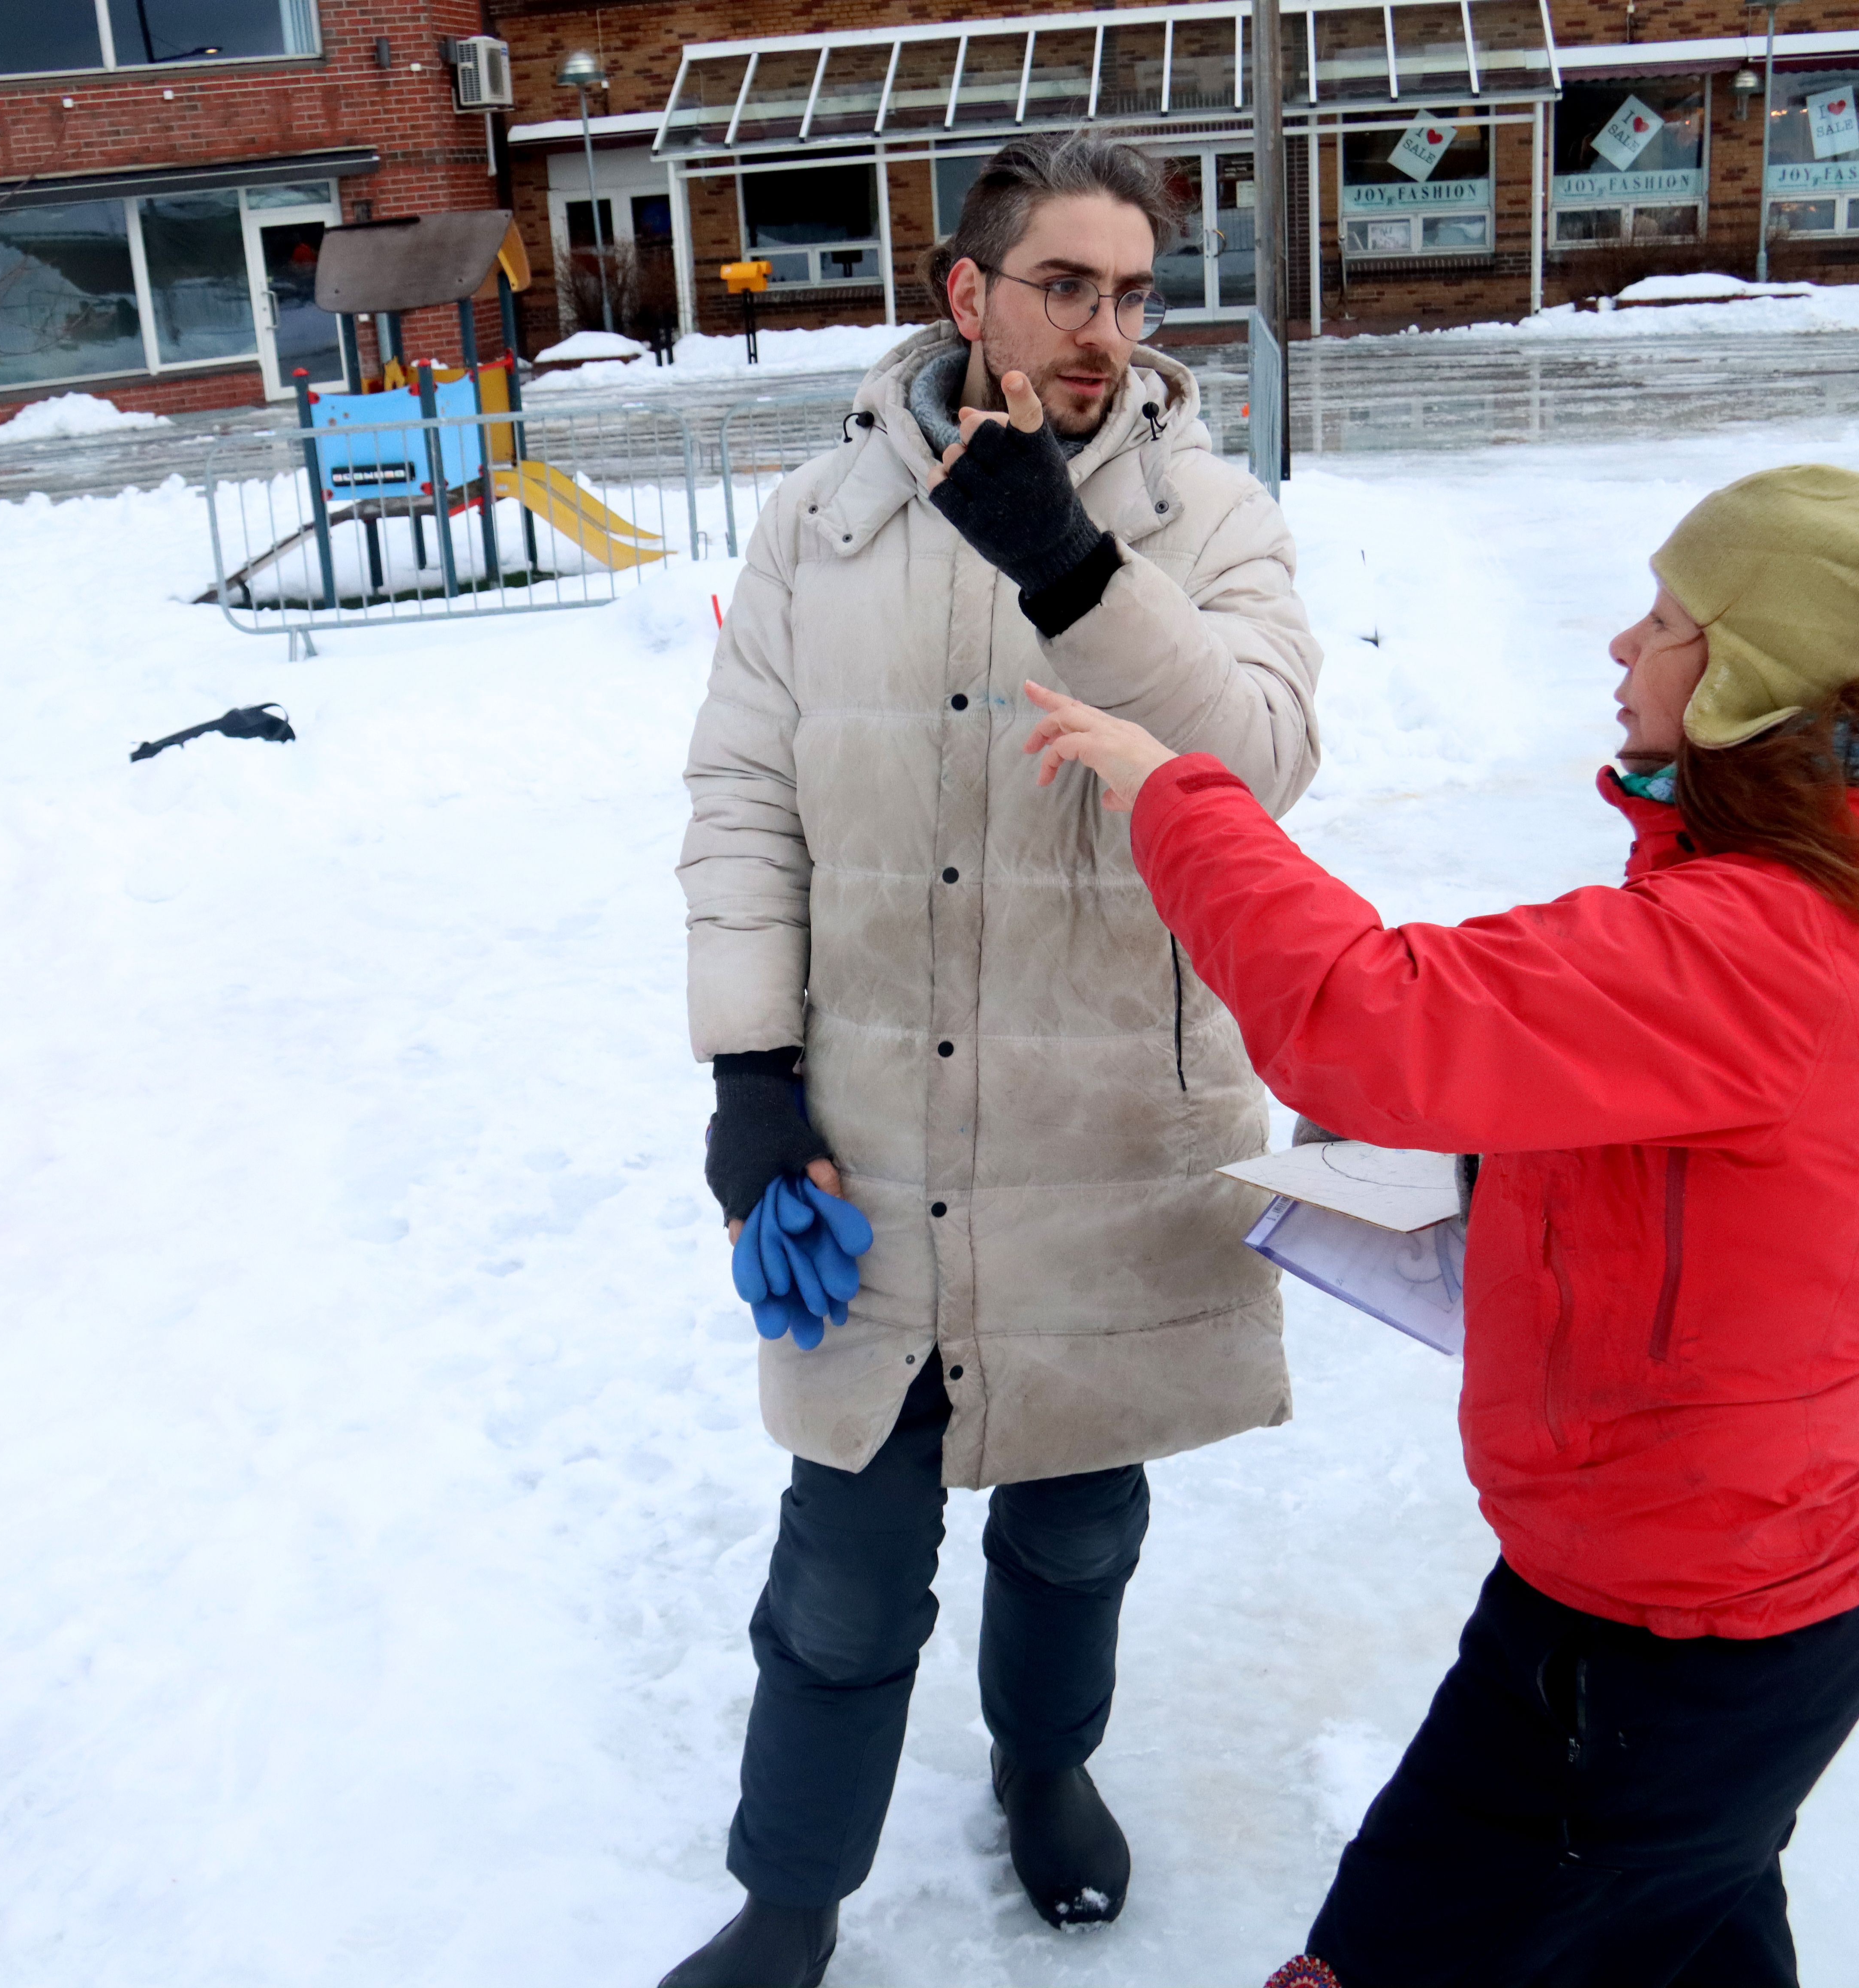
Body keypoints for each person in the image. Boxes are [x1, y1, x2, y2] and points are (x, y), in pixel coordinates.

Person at [1022, 464, 1859, 1988]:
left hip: (1669, 1638)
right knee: (1685, 1930)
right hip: (1750, 1581)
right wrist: (1506, 1190)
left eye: (1668, 621)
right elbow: (1745, 1190)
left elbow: (1365, 1017)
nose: (1623, 645)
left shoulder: (1757, 947)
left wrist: (1175, 794)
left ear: (1756, 675)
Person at [667, 129, 1322, 1987]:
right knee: (847, 1557)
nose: (1108, 327)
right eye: (1066, 286)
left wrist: (1072, 563)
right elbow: (743, 799)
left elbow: (1262, 765)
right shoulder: (823, 522)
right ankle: (791, 1898)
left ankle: (1048, 1768)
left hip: (1105, 1124)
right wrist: (751, 1076)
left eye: (1133, 292)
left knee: (1079, 1521)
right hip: (870, 1131)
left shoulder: (1208, 515)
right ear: (969, 292)